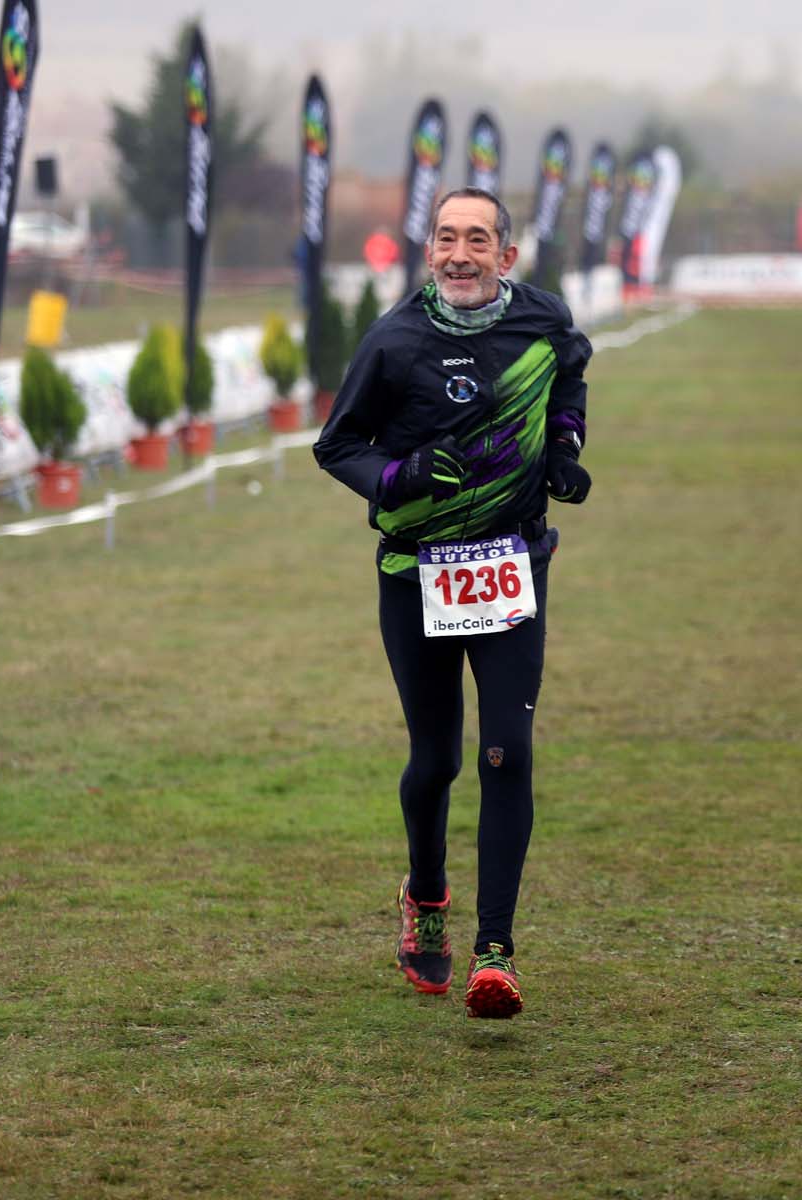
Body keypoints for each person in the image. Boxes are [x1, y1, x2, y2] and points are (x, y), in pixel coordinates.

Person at [314, 187, 593, 1019]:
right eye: (446, 239)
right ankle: (427, 899)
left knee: (507, 750)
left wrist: (566, 447)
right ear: (428, 250)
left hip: (510, 568)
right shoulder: (394, 340)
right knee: (434, 759)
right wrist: (396, 479)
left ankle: (495, 951)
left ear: (506, 256)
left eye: (478, 240)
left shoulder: (544, 322)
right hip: (417, 572)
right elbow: (337, 445)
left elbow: (571, 374)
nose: (460, 254)